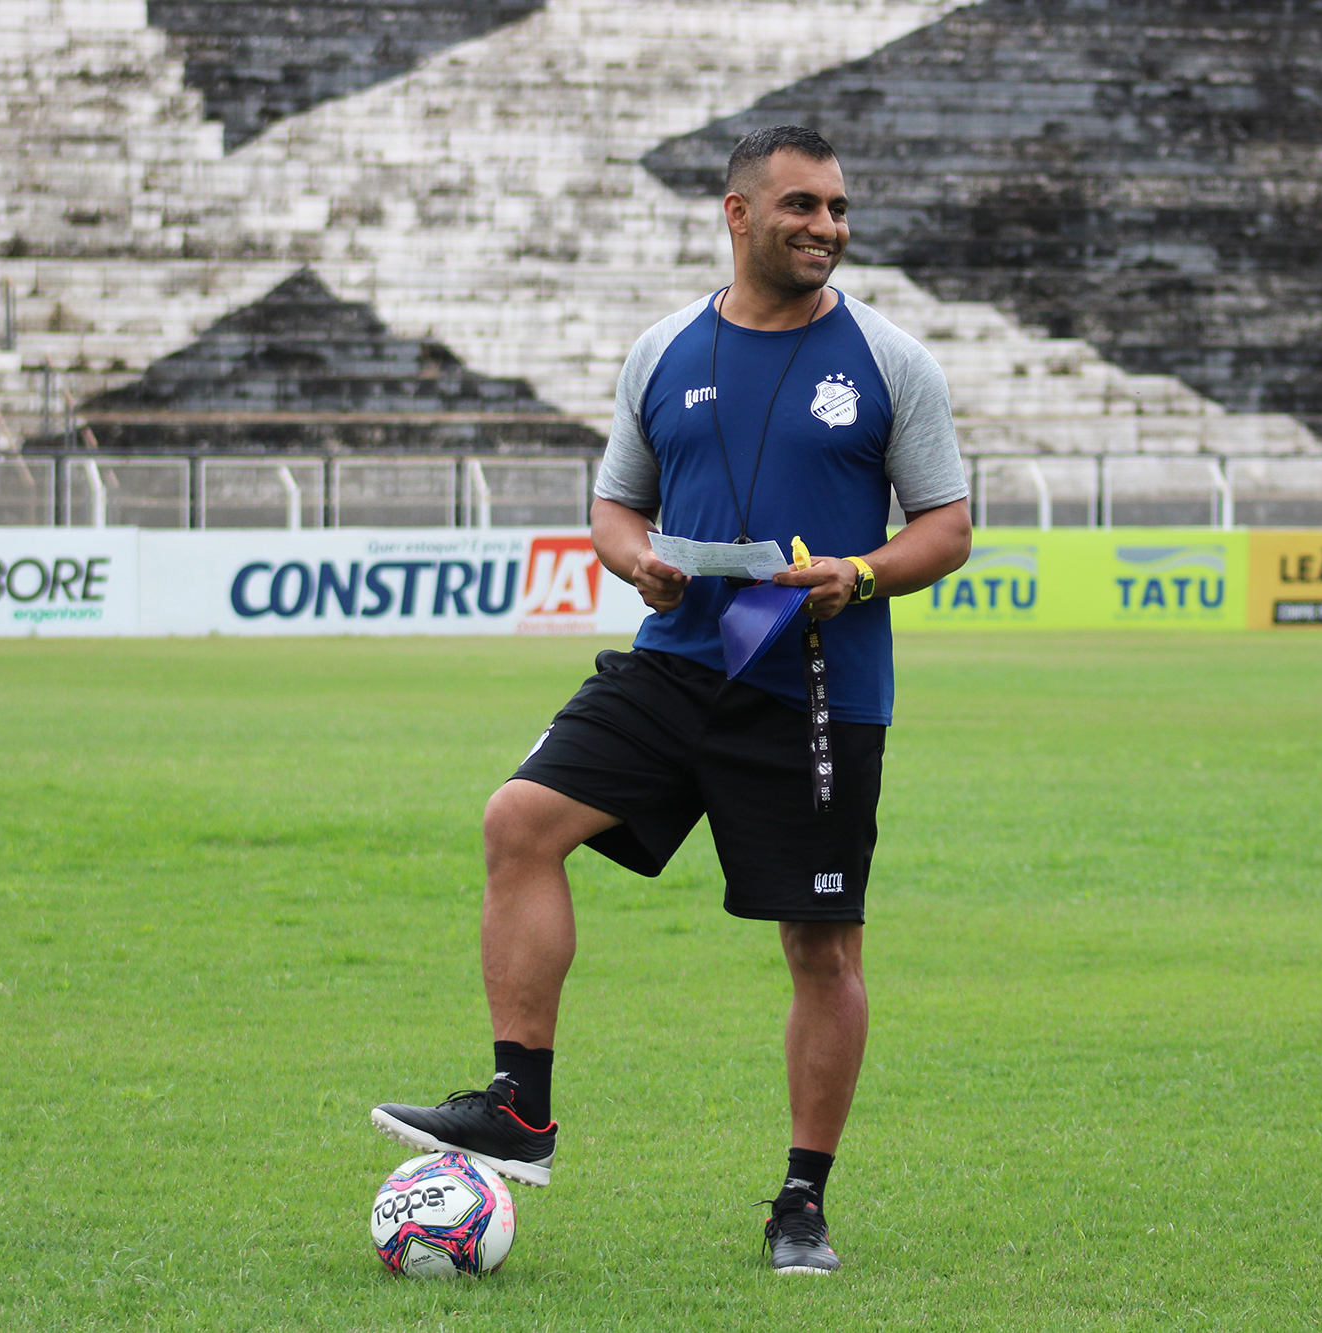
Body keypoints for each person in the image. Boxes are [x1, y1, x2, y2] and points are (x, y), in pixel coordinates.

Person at [373, 125, 971, 1275]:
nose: (826, 228)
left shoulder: (892, 361)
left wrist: (861, 572)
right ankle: (518, 1107)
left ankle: (800, 1200)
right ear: (737, 214)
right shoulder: (659, 350)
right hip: (674, 659)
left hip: (813, 690)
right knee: (518, 821)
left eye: (838, 209)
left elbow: (944, 525)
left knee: (821, 948)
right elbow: (614, 507)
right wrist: (632, 559)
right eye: (801, 206)